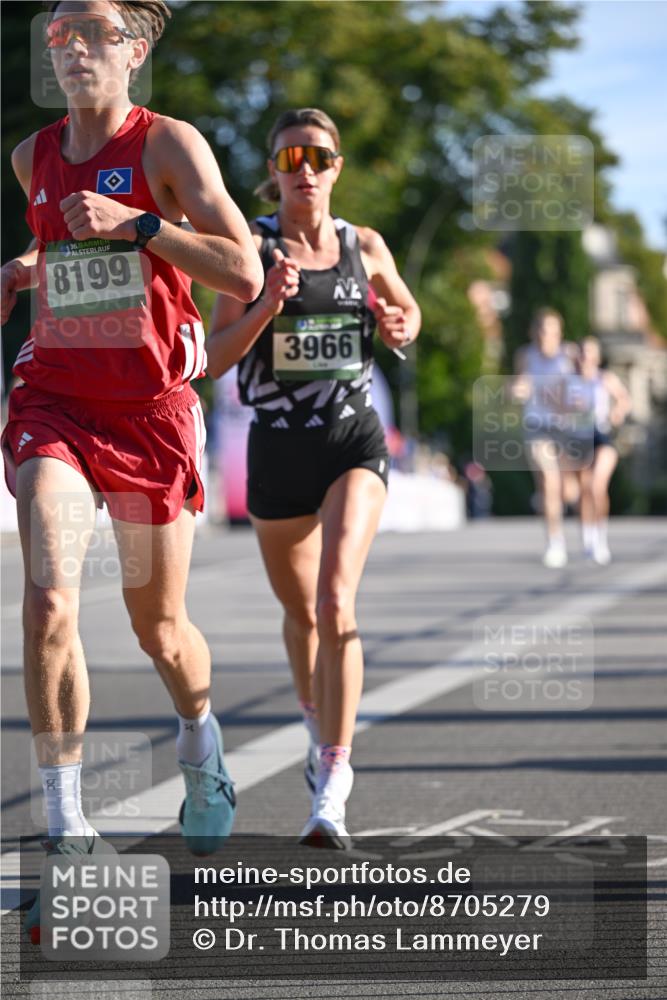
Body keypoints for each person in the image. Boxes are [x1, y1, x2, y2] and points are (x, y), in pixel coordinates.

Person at [0, 0, 263, 939]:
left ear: (136, 49)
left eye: (95, 33)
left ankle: (199, 740)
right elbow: (61, 246)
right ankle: (67, 830)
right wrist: (25, 269)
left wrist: (139, 224)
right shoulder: (31, 156)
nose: (72, 48)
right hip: (55, 403)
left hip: (152, 417)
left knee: (159, 629)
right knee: (49, 602)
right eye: (58, 35)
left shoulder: (169, 146)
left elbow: (243, 271)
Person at [206, 108, 421, 848]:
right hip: (276, 454)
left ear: (337, 168)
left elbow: (406, 308)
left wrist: (402, 324)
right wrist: (266, 303)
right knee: (301, 616)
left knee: (335, 601)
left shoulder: (365, 245)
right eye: (291, 157)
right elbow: (213, 357)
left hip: (352, 443)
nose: (305, 169)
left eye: (319, 157)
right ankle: (313, 722)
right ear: (273, 170)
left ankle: (334, 779)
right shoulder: (249, 248)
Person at [513, 308, 578, 568]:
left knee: (568, 492)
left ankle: (559, 504)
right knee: (549, 482)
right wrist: (518, 389)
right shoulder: (526, 355)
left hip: (566, 428)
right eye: (541, 331)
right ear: (533, 333)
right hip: (537, 426)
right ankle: (555, 543)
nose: (545, 337)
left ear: (559, 334)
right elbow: (521, 382)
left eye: (550, 331)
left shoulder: (569, 355)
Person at [575, 336, 631, 564]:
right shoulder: (568, 381)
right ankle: (587, 537)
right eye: (582, 352)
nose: (585, 357)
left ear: (597, 357)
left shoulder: (604, 379)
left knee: (597, 486)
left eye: (589, 352)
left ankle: (601, 537)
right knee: (584, 490)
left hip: (602, 435)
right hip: (578, 438)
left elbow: (624, 399)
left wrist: (617, 412)